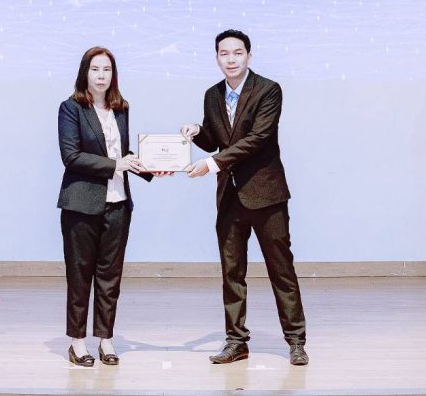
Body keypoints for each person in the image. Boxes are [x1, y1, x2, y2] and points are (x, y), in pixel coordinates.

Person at [181, 29, 308, 366]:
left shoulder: (268, 90)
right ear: (217, 58)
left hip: (266, 194)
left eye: (238, 53)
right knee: (232, 272)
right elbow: (215, 139)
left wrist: (211, 164)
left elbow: (258, 138)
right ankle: (236, 341)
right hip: (230, 196)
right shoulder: (212, 94)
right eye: (224, 53)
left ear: (249, 56)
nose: (231, 59)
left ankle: (296, 341)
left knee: (281, 270)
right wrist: (197, 132)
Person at [57, 46, 162, 367]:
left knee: (110, 276)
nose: (101, 76)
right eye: (95, 69)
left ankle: (106, 339)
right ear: (84, 73)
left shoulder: (121, 108)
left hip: (118, 204)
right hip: (81, 204)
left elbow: (123, 154)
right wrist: (118, 163)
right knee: (80, 275)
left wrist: (150, 168)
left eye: (106, 70)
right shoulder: (71, 108)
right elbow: (71, 156)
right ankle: (77, 342)